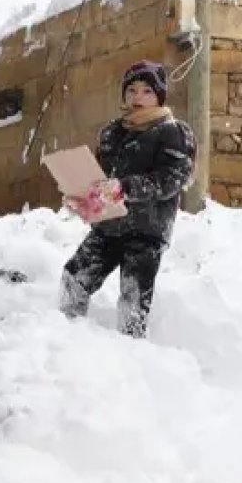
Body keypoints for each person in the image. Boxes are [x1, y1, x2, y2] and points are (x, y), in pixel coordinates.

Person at [59, 60, 196, 338]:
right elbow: (99, 181)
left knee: (133, 299)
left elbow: (170, 180)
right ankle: (66, 340)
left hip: (146, 231)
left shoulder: (173, 132)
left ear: (159, 95)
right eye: (131, 90)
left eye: (146, 91)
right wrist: (82, 197)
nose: (137, 97)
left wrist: (125, 188)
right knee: (74, 277)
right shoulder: (111, 133)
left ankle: (131, 356)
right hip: (109, 225)